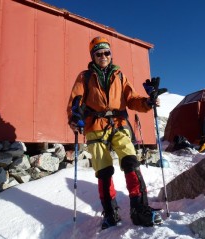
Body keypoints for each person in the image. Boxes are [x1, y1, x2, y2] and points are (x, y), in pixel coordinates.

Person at [67, 36, 162, 229]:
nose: (103, 56)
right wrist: (74, 117)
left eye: (106, 52)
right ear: (93, 56)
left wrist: (148, 102)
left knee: (131, 162)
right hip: (95, 126)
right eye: (99, 53)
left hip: (119, 123)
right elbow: (74, 101)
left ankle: (139, 210)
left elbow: (132, 99)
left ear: (111, 55)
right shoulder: (84, 77)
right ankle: (110, 213)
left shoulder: (119, 75)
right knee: (103, 171)